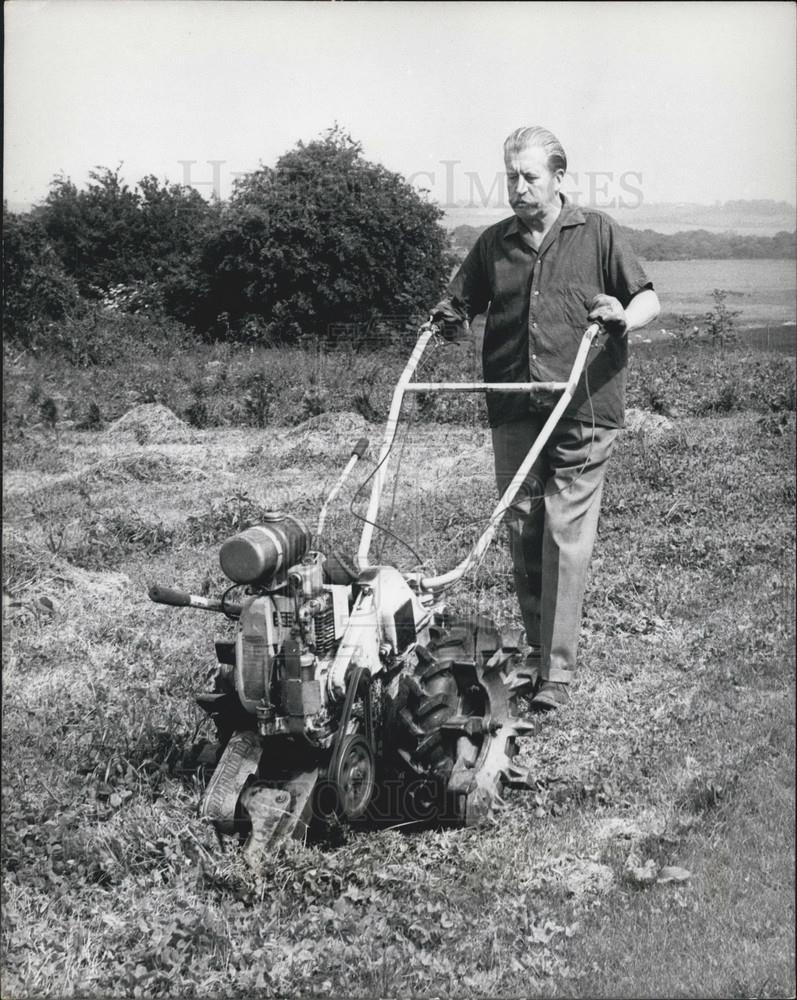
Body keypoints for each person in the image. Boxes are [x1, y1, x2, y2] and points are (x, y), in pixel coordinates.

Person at [431, 125, 660, 712]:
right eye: (511, 176)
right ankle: (536, 651)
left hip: (584, 404)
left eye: (530, 176)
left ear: (559, 178)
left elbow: (647, 299)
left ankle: (556, 672)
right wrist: (447, 317)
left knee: (563, 527)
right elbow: (458, 303)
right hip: (515, 405)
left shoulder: (597, 232)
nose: (518, 187)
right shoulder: (493, 245)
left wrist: (621, 316)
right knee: (524, 527)